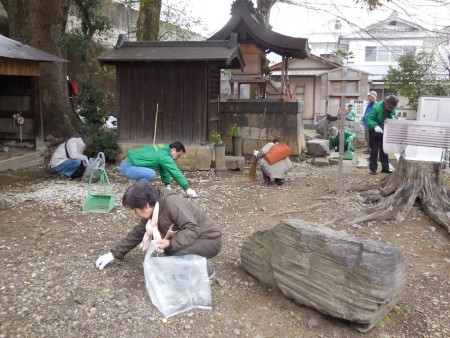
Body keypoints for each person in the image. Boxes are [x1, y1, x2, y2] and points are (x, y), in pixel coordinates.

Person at [95, 180, 222, 279]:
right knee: (168, 250)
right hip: (195, 237)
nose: (135, 214)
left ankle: (205, 269)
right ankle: (187, 264)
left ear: (146, 205)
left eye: (135, 210)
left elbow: (192, 229)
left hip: (209, 239)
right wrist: (113, 254)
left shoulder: (172, 204)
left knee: (174, 252)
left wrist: (171, 243)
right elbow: (137, 233)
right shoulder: (153, 210)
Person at [119, 142, 198, 198]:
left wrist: (167, 184)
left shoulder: (164, 148)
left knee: (150, 173)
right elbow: (175, 172)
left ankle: (138, 191)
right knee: (151, 174)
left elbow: (163, 167)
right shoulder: (164, 156)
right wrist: (187, 188)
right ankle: (135, 193)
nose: (177, 158)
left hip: (128, 164)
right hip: (127, 167)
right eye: (178, 155)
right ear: (173, 150)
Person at [365, 95, 398, 175]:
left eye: (392, 108)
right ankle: (373, 169)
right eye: (390, 107)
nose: (391, 109)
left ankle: (385, 168)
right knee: (374, 150)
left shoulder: (392, 109)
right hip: (375, 131)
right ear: (386, 104)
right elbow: (368, 118)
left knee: (385, 150)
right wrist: (375, 125)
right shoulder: (377, 107)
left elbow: (394, 117)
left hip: (385, 131)